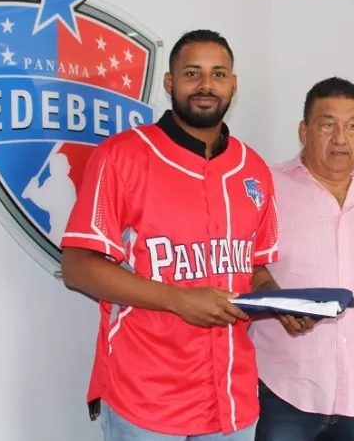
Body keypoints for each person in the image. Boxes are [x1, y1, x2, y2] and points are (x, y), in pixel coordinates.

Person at [59, 29, 281, 441]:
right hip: (146, 398)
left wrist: (281, 301)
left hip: (233, 398)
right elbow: (77, 266)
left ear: (233, 85)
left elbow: (255, 266)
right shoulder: (122, 156)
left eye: (218, 74)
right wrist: (178, 300)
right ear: (169, 83)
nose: (205, 86)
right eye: (192, 73)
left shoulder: (254, 169)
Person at [250, 77, 354, 441]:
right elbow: (241, 261)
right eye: (327, 125)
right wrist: (277, 302)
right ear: (304, 130)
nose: (340, 138)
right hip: (284, 391)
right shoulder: (267, 186)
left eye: (352, 126)